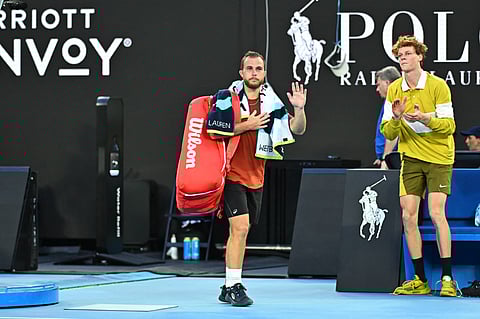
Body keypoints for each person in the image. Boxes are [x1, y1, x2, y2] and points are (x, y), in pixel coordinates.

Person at [218, 51, 307, 306]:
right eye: (249, 68)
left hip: (256, 177)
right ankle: (235, 285)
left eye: (259, 68)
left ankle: (226, 286)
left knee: (242, 231)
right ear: (241, 73)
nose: (254, 73)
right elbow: (214, 129)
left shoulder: (272, 103)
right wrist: (247, 124)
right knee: (240, 228)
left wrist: (298, 109)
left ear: (264, 73)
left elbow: (296, 129)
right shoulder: (228, 98)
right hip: (231, 174)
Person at [381, 35, 457, 296]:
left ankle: (447, 278)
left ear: (420, 57)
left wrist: (425, 118)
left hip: (439, 157)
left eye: (408, 53)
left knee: (437, 214)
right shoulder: (394, 90)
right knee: (407, 216)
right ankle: (420, 280)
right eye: (400, 54)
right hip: (410, 158)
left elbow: (449, 126)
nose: (403, 58)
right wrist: (397, 117)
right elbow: (388, 131)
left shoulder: (438, 86)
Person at [373, 66, 401, 169]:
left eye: (378, 85)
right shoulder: (388, 102)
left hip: (394, 159)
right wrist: (380, 158)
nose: (377, 89)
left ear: (387, 83)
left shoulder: (396, 101)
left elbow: (393, 132)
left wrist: (386, 159)